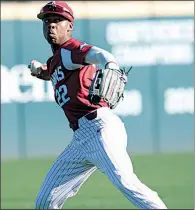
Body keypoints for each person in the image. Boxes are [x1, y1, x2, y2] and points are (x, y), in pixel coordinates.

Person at [29, 1, 167, 209]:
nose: (51, 25)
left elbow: (101, 55)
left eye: (58, 20)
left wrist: (110, 63)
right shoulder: (57, 59)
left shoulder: (70, 49)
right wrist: (39, 70)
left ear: (69, 26)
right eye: (47, 21)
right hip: (80, 139)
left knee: (126, 182)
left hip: (100, 128)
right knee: (45, 202)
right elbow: (49, 71)